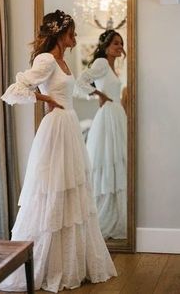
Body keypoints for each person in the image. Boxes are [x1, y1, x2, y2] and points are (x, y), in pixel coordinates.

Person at [0, 10, 117, 292]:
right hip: (55, 130)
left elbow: (70, 92)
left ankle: (73, 264)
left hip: (70, 127)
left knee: (72, 192)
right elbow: (15, 89)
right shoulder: (46, 59)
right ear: (60, 34)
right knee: (51, 190)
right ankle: (45, 265)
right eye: (72, 33)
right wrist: (42, 97)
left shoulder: (63, 61)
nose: (75, 38)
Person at [76, 30, 127, 240]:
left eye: (121, 43)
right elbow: (80, 82)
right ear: (106, 46)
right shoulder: (102, 63)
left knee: (119, 162)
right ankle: (102, 215)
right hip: (107, 117)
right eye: (115, 43)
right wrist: (97, 93)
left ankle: (118, 213)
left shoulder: (114, 67)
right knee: (107, 161)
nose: (119, 47)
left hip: (117, 114)